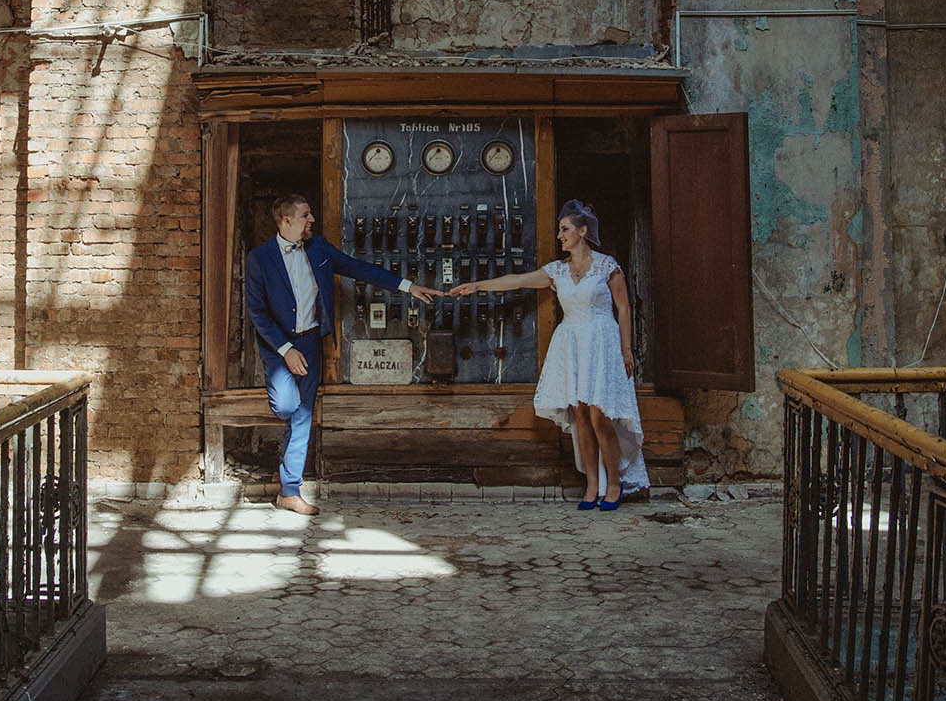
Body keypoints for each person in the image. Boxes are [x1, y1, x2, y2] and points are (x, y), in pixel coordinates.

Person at [244, 192, 440, 515]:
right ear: (286, 220)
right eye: (306, 215)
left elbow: (359, 269)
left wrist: (408, 286)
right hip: (280, 347)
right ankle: (288, 477)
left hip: (310, 342)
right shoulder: (260, 258)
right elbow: (257, 311)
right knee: (287, 405)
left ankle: (289, 491)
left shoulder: (319, 248)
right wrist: (286, 350)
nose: (312, 220)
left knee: (303, 415)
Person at [451, 198, 647, 509]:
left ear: (582, 231)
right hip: (572, 343)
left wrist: (626, 349)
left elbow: (623, 309)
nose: (559, 236)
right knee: (580, 414)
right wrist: (477, 286)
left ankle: (614, 483)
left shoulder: (607, 266)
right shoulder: (558, 271)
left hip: (601, 343)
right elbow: (518, 280)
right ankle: (591, 485)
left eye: (565, 229)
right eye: (559, 230)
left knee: (599, 415)